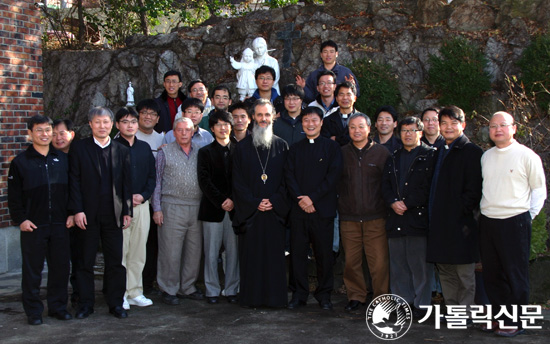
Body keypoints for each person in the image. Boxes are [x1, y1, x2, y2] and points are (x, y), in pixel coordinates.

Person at [479, 111, 546, 337]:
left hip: (515, 221)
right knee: (492, 274)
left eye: (503, 125)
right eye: (493, 126)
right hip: (488, 221)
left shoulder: (527, 156)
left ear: (514, 128)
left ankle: (515, 320)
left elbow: (539, 190)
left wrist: (527, 216)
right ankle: (499, 317)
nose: (498, 129)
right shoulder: (486, 156)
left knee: (515, 274)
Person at [69, 107, 132, 319]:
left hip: (113, 215)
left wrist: (127, 211)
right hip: (86, 215)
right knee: (85, 261)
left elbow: (126, 184)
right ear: (90, 124)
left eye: (106, 122)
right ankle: (86, 304)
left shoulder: (121, 150)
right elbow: (74, 182)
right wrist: (77, 210)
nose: (102, 126)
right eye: (98, 122)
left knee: (115, 262)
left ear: (112, 124)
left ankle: (116, 303)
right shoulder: (79, 149)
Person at [8, 115, 72, 325]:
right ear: (30, 133)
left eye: (48, 130)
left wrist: (71, 213)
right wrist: (21, 219)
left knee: (60, 269)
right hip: (33, 225)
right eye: (39, 130)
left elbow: (72, 191)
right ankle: (34, 311)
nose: (45, 134)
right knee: (32, 271)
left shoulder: (62, 159)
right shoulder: (20, 162)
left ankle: (58, 307)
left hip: (60, 224)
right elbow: (14, 196)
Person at [232, 98, 290, 308]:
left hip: (274, 214)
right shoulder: (241, 148)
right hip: (252, 214)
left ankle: (275, 300)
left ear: (273, 116)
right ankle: (252, 299)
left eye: (267, 115)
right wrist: (255, 202)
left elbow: (287, 180)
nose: (263, 119)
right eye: (259, 115)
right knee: (252, 259)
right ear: (253, 118)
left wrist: (274, 201)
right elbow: (237, 182)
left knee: (274, 260)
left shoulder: (282, 146)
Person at [426, 106, 483, 320]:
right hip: (440, 225)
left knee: (464, 275)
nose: (448, 127)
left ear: (463, 125)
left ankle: (466, 314)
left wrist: (459, 214)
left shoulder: (472, 152)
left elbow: (473, 192)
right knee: (447, 273)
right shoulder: (440, 150)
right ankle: (453, 313)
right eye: (444, 123)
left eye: (453, 123)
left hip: (462, 225)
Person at [284, 107, 342, 310]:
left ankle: (324, 295)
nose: (310, 124)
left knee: (324, 255)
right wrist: (302, 200)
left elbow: (332, 177)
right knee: (297, 255)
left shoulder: (332, 148)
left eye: (314, 120)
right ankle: (299, 294)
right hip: (298, 210)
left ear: (321, 122)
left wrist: (312, 199)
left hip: (322, 210)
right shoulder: (295, 148)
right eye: (306, 120)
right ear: (302, 124)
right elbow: (289, 176)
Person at [381, 116, 436, 318]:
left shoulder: (430, 156)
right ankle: (401, 305)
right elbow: (385, 185)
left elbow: (429, 186)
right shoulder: (393, 157)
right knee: (398, 267)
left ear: (420, 133)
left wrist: (408, 203)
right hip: (395, 218)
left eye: (412, 130)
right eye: (404, 130)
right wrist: (393, 202)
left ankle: (422, 306)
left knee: (420, 266)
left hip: (418, 219)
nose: (408, 134)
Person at [338, 113, 390, 311]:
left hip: (375, 217)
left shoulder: (382, 153)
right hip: (348, 217)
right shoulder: (341, 153)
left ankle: (381, 300)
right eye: (352, 127)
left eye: (361, 126)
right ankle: (356, 296)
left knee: (379, 263)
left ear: (369, 129)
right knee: (351, 261)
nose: (356, 130)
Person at [152, 117, 204, 305]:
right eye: (179, 130)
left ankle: (187, 287)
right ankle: (168, 287)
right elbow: (156, 182)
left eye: (187, 130)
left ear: (193, 132)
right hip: (171, 205)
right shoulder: (164, 153)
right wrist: (157, 208)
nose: (183, 133)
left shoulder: (201, 152)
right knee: (170, 250)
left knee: (193, 250)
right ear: (173, 133)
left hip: (196, 206)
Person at [114, 107, 156, 310]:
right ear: (117, 125)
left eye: (133, 121)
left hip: (142, 205)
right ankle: (120, 292)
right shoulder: (112, 148)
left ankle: (135, 292)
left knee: (139, 251)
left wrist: (144, 195)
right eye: (125, 121)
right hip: (119, 206)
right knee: (121, 251)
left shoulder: (144, 148)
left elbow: (152, 177)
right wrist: (126, 198)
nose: (129, 125)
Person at [198, 111, 240, 305]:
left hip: (235, 210)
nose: (223, 128)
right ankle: (212, 289)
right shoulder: (205, 152)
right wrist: (222, 200)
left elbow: (243, 180)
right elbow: (204, 181)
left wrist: (232, 199)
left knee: (233, 253)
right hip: (212, 209)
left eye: (226, 124)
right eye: (219, 124)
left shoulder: (240, 150)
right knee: (211, 253)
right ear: (212, 128)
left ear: (231, 127)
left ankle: (232, 288)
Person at [134, 99, 165, 296]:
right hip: (135, 199)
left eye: (152, 114)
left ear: (157, 119)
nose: (148, 116)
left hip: (154, 198)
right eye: (144, 112)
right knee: (134, 245)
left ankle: (147, 283)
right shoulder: (128, 135)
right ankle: (131, 285)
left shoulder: (161, 139)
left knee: (152, 243)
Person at [52, 118, 78, 307]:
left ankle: (79, 297)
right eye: (54, 134)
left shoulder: (81, 154)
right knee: (58, 263)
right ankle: (58, 302)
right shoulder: (48, 157)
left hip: (80, 216)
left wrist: (75, 211)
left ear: (71, 134)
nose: (58, 138)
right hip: (57, 218)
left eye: (62, 133)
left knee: (81, 260)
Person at [321, 81, 363, 146]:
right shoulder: (328, 120)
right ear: (336, 99)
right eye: (341, 94)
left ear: (354, 98)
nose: (345, 98)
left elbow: (362, 141)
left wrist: (337, 139)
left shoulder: (362, 120)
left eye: (348, 94)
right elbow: (326, 143)